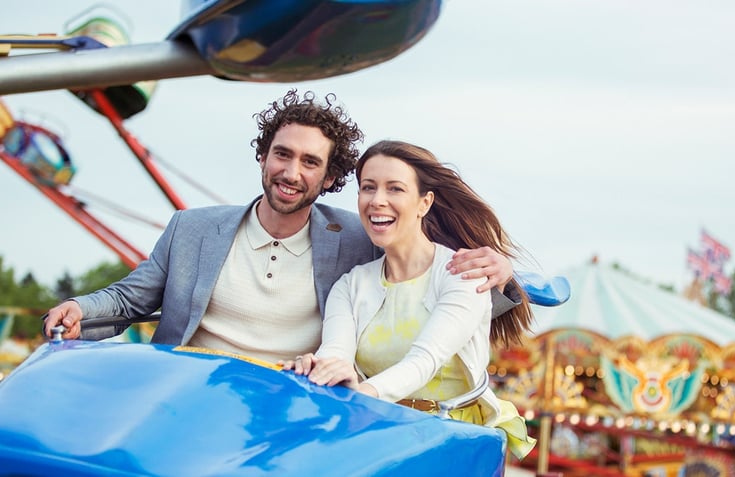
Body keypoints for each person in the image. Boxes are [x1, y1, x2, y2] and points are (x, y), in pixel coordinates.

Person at [42, 90, 518, 364]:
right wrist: (79, 308)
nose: (291, 173)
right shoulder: (191, 228)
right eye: (282, 154)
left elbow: (427, 277)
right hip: (185, 391)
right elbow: (129, 300)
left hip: (288, 409)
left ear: (330, 178)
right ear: (263, 156)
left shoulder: (357, 239)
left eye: (310, 162)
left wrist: (497, 270)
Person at [287, 140, 536, 459]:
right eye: (368, 188)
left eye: (395, 189)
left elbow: (425, 361)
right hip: (381, 431)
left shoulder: (461, 273)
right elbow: (336, 353)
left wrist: (361, 395)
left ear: (424, 203)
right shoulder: (350, 285)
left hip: (452, 438)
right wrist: (322, 369)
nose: (377, 201)